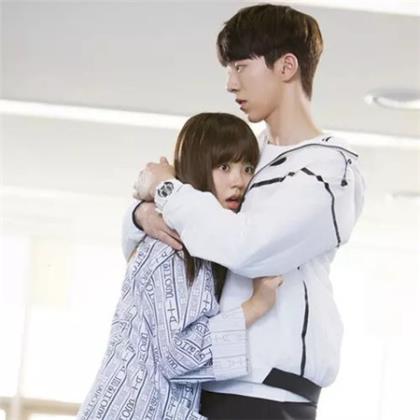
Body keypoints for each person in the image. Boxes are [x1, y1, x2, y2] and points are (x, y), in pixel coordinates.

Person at [126, 3, 365, 420]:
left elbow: (250, 248)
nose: (230, 83)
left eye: (240, 66)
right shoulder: (246, 156)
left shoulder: (329, 169)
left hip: (268, 395)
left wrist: (166, 191)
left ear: (286, 66)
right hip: (202, 383)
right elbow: (153, 236)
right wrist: (140, 215)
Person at [77, 112, 283, 420]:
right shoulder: (174, 246)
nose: (239, 181)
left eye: (247, 168)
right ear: (198, 167)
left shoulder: (196, 246)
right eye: (224, 167)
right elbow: (179, 357)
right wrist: (256, 306)